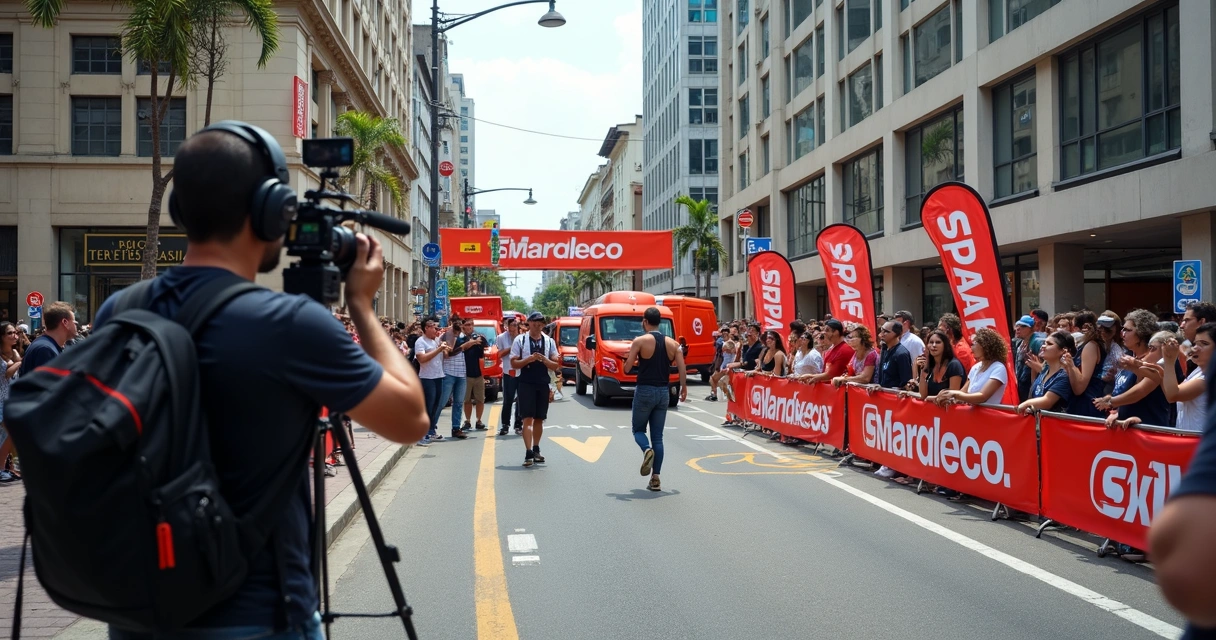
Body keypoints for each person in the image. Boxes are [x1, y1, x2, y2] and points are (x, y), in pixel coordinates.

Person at [94, 124, 428, 638]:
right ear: (270, 208)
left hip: (142, 607)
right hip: (257, 616)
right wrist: (361, 304)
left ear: (181, 210)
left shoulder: (122, 307)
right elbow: (410, 419)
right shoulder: (289, 323)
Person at [624, 306, 687, 492]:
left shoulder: (640, 341)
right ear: (659, 322)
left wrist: (633, 361)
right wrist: (683, 387)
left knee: (638, 429)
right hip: (663, 392)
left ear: (645, 321)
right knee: (658, 437)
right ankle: (656, 478)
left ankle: (646, 449)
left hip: (644, 389)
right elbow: (682, 367)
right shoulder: (673, 344)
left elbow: (627, 368)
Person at [510, 311, 561, 467]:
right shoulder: (521, 340)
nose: (537, 325)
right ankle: (528, 451)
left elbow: (556, 364)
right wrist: (529, 359)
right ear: (529, 323)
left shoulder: (549, 341)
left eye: (540, 323)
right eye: (534, 322)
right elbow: (513, 363)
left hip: (543, 383)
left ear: (543, 325)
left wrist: (544, 360)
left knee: (539, 418)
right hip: (526, 383)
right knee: (527, 418)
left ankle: (536, 448)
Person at [1156, 323, 1212, 432]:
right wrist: (1159, 370)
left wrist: (1169, 361)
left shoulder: (1209, 377)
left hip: (1200, 442)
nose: (1196, 348)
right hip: (1188, 441)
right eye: (1195, 343)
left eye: (1204, 344)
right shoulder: (1197, 371)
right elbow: (1170, 393)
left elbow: (1173, 395)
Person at [934, 328, 1009, 408]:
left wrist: (954, 394)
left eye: (973, 344)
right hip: (970, 417)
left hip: (989, 418)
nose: (971, 348)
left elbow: (982, 396)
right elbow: (963, 393)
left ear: (985, 345)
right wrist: (946, 397)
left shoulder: (999, 368)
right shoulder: (976, 367)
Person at [1016, 331, 1077, 415]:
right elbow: (1033, 394)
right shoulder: (1045, 372)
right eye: (1044, 343)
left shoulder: (1064, 376)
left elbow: (1047, 402)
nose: (1043, 346)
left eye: (1049, 344)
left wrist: (1026, 404)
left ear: (1063, 351)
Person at [1061, 311, 1107, 419]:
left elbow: (1080, 387)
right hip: (1080, 403)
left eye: (1073, 326)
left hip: (1087, 404)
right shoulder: (1086, 345)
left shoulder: (1091, 346)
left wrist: (1071, 366)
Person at [17, 301, 77, 377]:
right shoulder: (45, 349)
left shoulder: (47, 346)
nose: (76, 325)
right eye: (74, 322)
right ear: (65, 322)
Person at [415, 316, 450, 444]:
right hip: (427, 378)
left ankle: (431, 431)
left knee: (436, 406)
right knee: (428, 407)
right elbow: (422, 359)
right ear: (427, 328)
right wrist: (438, 350)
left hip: (438, 376)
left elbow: (445, 356)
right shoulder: (421, 341)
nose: (437, 330)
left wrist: (444, 348)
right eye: (434, 327)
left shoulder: (436, 340)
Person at [436, 316, 471, 440]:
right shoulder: (445, 336)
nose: (458, 324)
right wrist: (464, 346)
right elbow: (447, 354)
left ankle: (456, 428)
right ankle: (431, 428)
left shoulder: (464, 336)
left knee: (458, 403)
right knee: (442, 401)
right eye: (455, 322)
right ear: (451, 323)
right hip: (448, 373)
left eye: (460, 322)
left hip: (461, 373)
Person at [912, 330, 965, 400]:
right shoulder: (930, 365)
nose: (933, 345)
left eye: (938, 342)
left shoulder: (954, 365)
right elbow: (923, 395)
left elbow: (952, 397)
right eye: (931, 342)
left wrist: (928, 398)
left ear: (945, 345)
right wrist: (923, 371)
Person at [0, 321, 21, 482]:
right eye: (10, 333)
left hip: (10, 401)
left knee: (8, 437)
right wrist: (20, 361)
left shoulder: (13, 353)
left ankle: (9, 468)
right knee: (8, 437)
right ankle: (1, 469)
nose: (15, 336)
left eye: (15, 332)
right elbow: (7, 374)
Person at [496, 317, 522, 436]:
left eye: (515, 328)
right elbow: (500, 354)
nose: (512, 332)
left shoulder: (523, 338)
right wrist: (512, 347)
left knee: (521, 399)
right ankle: (505, 425)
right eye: (510, 329)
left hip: (521, 372)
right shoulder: (501, 337)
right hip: (508, 371)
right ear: (507, 327)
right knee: (508, 400)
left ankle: (518, 424)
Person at [461, 318, 488, 431]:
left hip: (478, 373)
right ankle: (467, 421)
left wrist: (479, 340)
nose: (470, 327)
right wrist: (472, 342)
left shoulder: (478, 336)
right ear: (463, 326)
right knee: (467, 400)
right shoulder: (461, 338)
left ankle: (479, 420)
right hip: (466, 373)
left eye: (471, 325)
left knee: (480, 399)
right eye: (467, 325)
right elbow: (461, 348)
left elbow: (485, 345)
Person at [808, 320, 853, 384]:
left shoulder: (845, 349)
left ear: (836, 332)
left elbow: (831, 374)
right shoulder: (830, 349)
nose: (824, 333)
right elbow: (825, 372)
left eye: (827, 330)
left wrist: (811, 377)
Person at [1012, 315, 1045, 402]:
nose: (1018, 328)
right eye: (1018, 325)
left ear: (1032, 328)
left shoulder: (1037, 342)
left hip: (1030, 386)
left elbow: (1044, 366)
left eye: (1023, 326)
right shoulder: (1019, 343)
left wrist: (1032, 389)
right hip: (1020, 384)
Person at [707, 336, 737, 401]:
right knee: (721, 382)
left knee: (717, 381)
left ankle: (716, 394)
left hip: (727, 368)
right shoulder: (725, 348)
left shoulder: (732, 347)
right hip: (724, 367)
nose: (725, 351)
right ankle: (718, 394)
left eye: (726, 350)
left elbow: (733, 351)